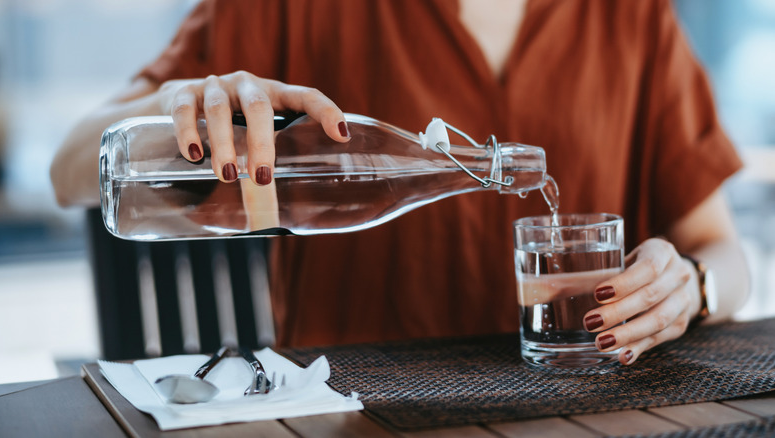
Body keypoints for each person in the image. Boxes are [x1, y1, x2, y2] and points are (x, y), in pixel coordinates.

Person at [50, 0, 750, 365]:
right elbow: (69, 168)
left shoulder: (630, 15)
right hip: (356, 419)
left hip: (592, 411)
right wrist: (177, 100)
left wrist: (693, 283)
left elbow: (722, 248)